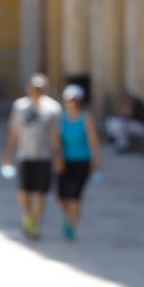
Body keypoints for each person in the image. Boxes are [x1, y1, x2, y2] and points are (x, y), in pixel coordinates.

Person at [2, 73, 63, 240]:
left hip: (44, 156)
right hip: (24, 155)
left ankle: (35, 224)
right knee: (23, 191)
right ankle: (28, 217)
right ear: (28, 88)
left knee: (40, 193)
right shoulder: (20, 107)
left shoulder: (53, 108)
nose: (37, 91)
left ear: (45, 89)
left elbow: (55, 136)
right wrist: (7, 155)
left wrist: (59, 157)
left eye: (40, 88)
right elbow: (14, 133)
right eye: (34, 88)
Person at [57, 84, 102, 240]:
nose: (73, 103)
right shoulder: (60, 118)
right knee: (61, 197)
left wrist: (96, 161)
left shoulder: (86, 118)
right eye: (70, 100)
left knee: (74, 195)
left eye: (76, 100)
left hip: (82, 161)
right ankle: (67, 217)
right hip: (64, 161)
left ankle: (71, 224)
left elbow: (93, 141)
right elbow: (56, 140)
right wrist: (58, 158)